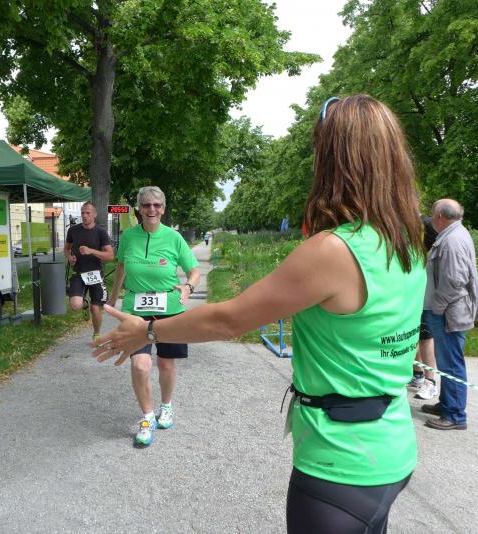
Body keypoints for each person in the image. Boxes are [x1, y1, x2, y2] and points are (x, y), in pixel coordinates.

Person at [93, 95, 426, 533]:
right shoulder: (406, 241)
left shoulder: (334, 250)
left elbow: (229, 319)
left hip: (341, 463)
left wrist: (148, 332)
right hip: (393, 445)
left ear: (335, 160)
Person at [106, 186, 200, 447]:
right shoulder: (129, 236)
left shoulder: (173, 237)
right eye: (146, 205)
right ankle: (147, 417)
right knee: (140, 364)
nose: (152, 209)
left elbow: (194, 271)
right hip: (136, 310)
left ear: (163, 209)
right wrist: (114, 296)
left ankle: (166, 406)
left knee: (166, 364)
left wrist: (188, 287)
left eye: (157, 205)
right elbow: (121, 266)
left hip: (169, 309)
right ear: (139, 209)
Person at [421, 199, 478, 430]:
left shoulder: (452, 240)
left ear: (439, 216)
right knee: (447, 361)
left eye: (432, 214)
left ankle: (455, 415)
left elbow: (454, 281)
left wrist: (437, 308)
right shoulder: (455, 234)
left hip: (448, 314)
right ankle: (447, 404)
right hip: (448, 312)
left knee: (451, 363)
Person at [64, 202, 114, 339]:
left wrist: (91, 251)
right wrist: (70, 258)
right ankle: (83, 303)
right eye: (82, 213)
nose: (85, 216)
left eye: (88, 213)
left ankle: (96, 334)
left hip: (95, 274)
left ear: (94, 214)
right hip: (78, 273)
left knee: (95, 307)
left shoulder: (101, 232)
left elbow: (110, 256)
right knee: (75, 305)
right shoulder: (73, 230)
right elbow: (66, 249)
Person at [409, 215, 440, 400]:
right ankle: (418, 375)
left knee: (425, 336)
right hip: (411, 287)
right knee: (415, 333)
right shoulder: (402, 222)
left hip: (426, 290)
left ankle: (430, 382)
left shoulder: (427, 224)